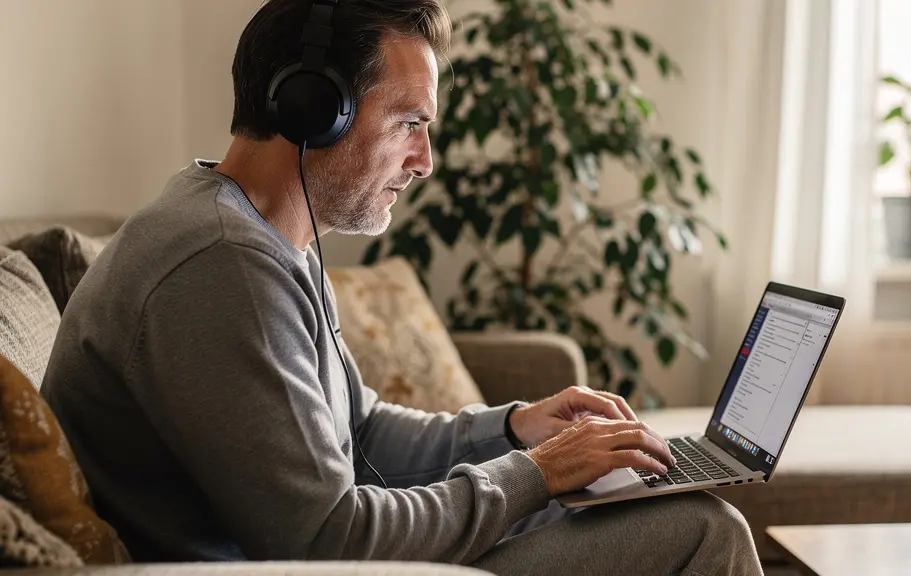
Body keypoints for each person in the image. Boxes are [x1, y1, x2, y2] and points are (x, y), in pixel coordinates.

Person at [41, 0, 763, 574]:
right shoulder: (220, 262)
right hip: (293, 570)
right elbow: (329, 540)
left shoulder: (251, 233)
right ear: (314, 112)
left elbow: (360, 430)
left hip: (313, 556)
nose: (424, 160)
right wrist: (534, 474)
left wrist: (514, 429)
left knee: (629, 507)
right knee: (699, 531)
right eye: (410, 122)